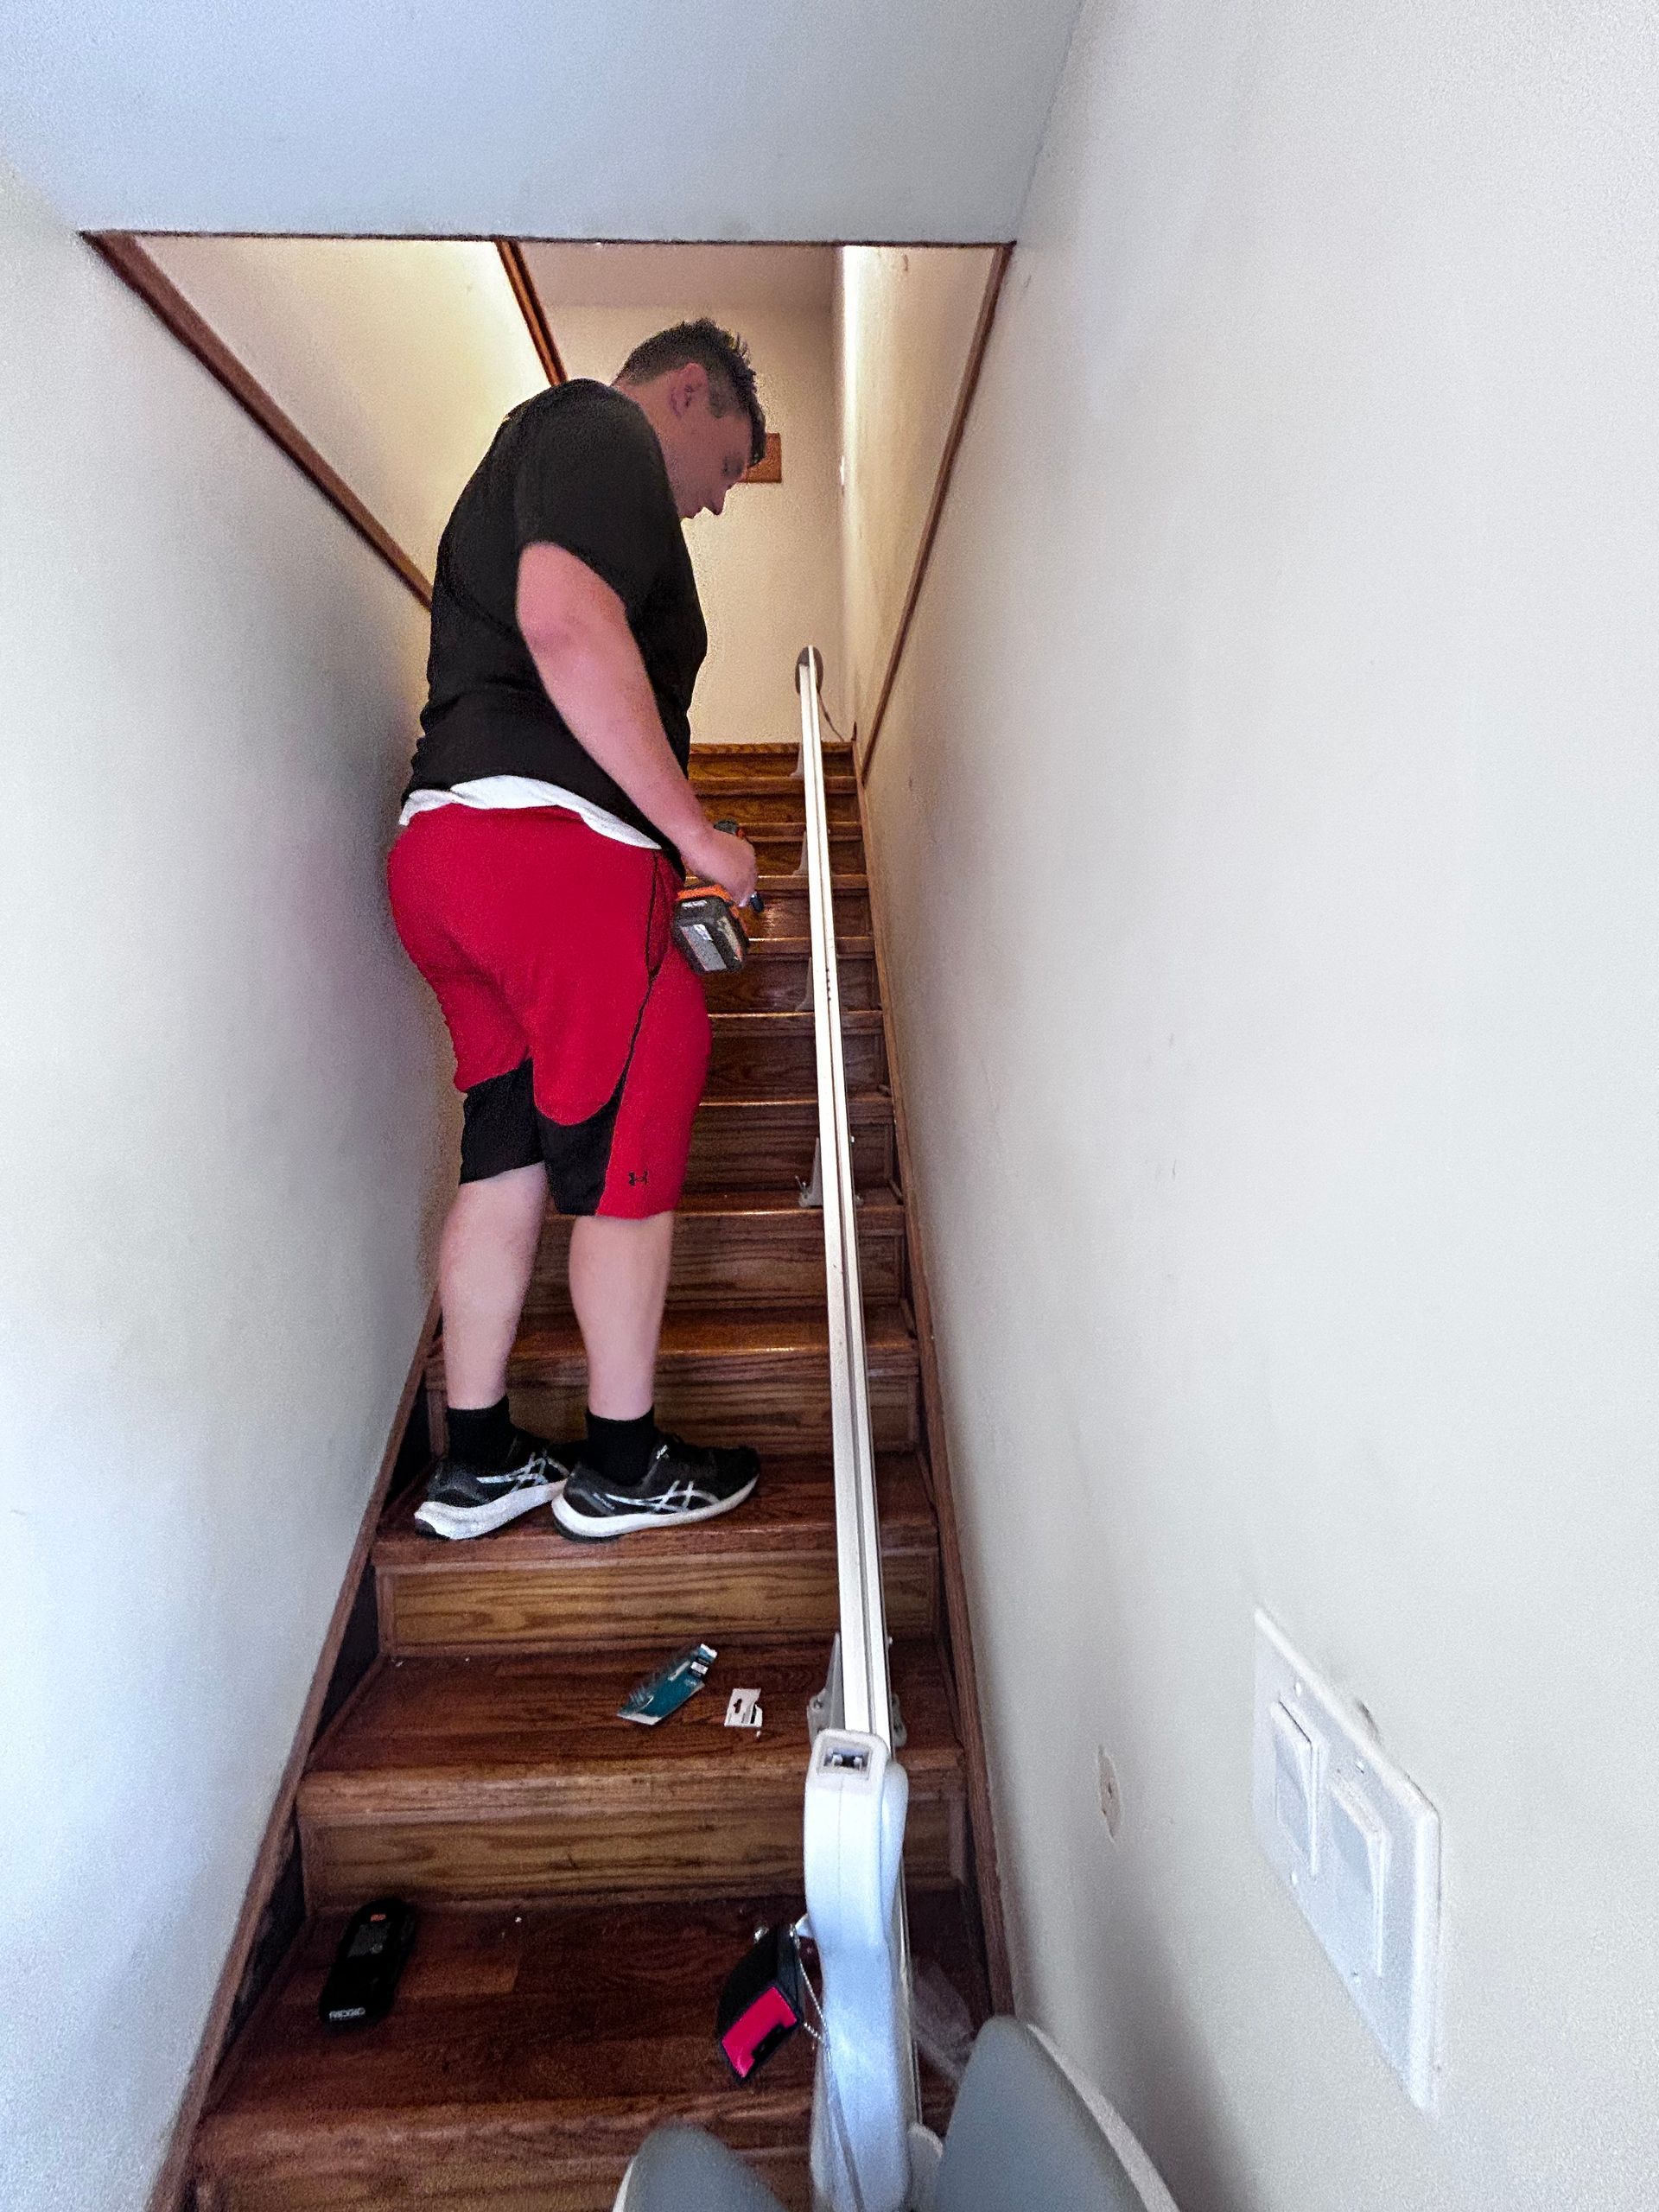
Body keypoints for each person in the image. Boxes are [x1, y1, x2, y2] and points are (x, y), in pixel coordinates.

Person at [387, 321, 766, 1543]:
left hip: (443, 855)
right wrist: (698, 838)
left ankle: (478, 1457)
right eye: (725, 467)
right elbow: (562, 618)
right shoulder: (598, 425)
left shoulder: (526, 461)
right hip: (556, 854)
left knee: (507, 1154)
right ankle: (623, 1462)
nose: (711, 505)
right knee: (634, 1132)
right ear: (690, 390)